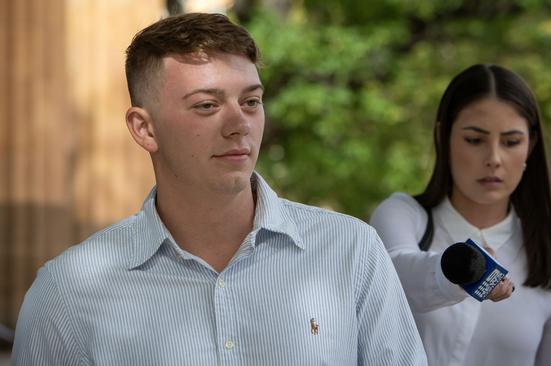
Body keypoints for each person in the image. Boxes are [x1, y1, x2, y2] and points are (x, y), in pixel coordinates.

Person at [12, 13, 426, 365]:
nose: (239, 124)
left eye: (251, 102)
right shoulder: (67, 293)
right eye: (207, 105)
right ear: (145, 128)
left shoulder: (350, 252)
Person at [370, 64, 551, 366]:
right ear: (443, 136)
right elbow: (396, 272)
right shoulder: (403, 217)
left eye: (511, 142)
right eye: (475, 140)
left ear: (531, 145)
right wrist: (465, 268)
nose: (494, 159)